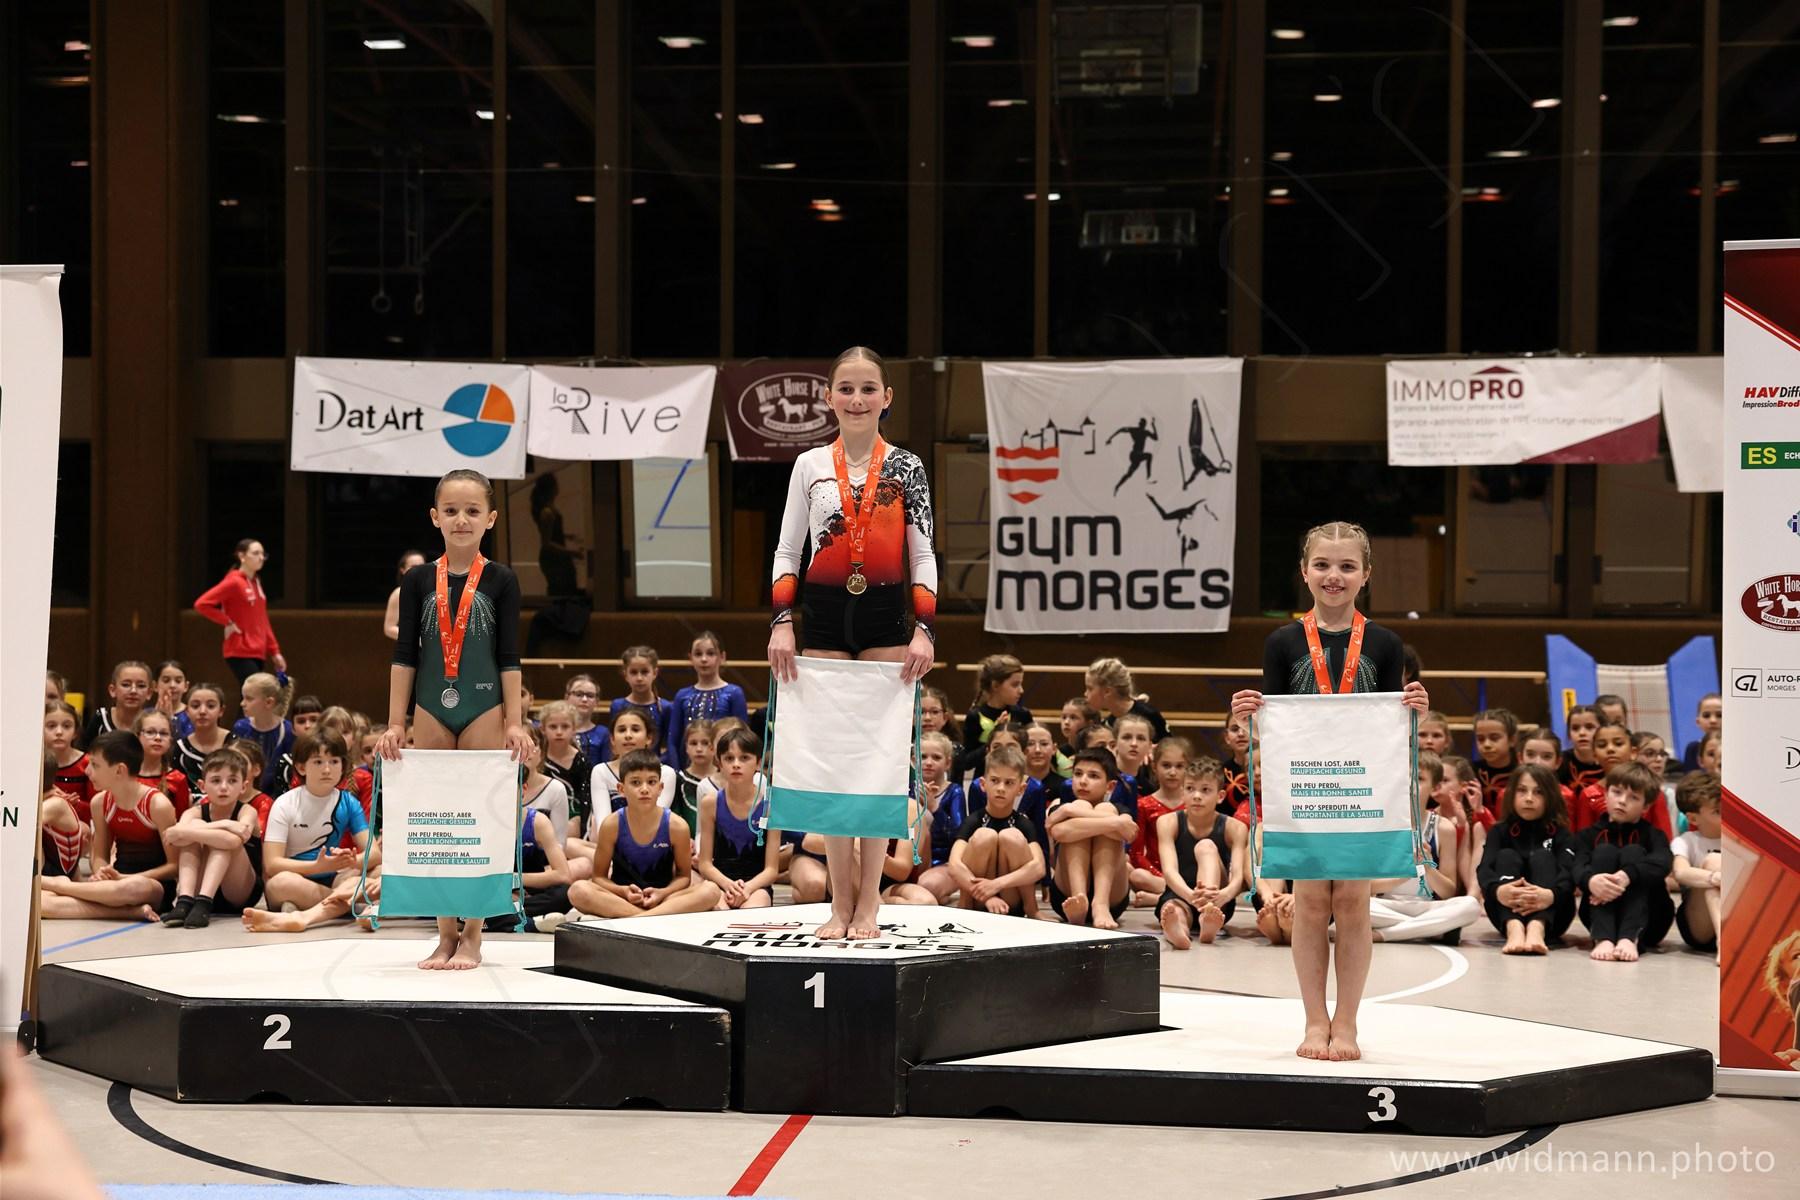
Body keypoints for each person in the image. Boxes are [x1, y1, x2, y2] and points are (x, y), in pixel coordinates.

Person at [1230, 520, 1430, 1062]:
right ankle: (1314, 1019)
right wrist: (1248, 713)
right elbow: (1275, 724)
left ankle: (1348, 1022)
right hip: (1307, 788)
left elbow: (1389, 725)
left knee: (1353, 902)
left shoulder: (1385, 644)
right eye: (1322, 564)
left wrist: (1415, 709)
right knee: (1312, 902)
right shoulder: (1283, 642)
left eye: (1346, 566)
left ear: (1366, 574)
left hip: (1362, 789)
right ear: (1304, 571)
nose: (1333, 575)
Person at [767, 345, 937, 941]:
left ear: (886, 397)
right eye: (846, 388)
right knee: (834, 766)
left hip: (887, 617)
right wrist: (782, 622)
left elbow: (923, 554)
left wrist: (925, 629)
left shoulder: (908, 468)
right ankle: (839, 904)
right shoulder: (810, 465)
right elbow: (788, 550)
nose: (857, 399)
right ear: (828, 397)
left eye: (868, 389)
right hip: (824, 615)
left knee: (877, 767)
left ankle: (870, 904)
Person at [375, 468, 529, 969]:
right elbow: (405, 655)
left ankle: (474, 935)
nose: (461, 519)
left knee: (479, 818)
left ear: (491, 518)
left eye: (472, 511)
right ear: (434, 516)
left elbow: (509, 656)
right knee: (437, 821)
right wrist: (396, 723)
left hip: (484, 707)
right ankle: (444, 934)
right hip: (430, 707)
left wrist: (513, 722)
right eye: (451, 510)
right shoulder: (418, 580)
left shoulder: (502, 579)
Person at [243, 729, 378, 935]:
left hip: (336, 876)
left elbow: (374, 854)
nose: (327, 769)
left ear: (343, 766)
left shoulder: (348, 802)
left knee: (380, 873)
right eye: (318, 762)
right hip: (296, 879)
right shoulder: (285, 803)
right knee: (279, 883)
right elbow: (272, 864)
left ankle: (304, 914)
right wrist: (317, 866)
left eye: (334, 761)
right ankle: (356, 906)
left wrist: (351, 862)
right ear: (301, 767)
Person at [39, 731, 177, 921]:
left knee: (133, 887)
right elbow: (99, 856)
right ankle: (129, 912)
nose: (87, 771)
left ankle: (58, 885)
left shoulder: (157, 804)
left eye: (95, 765)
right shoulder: (99, 802)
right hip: (113, 884)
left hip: (150, 885)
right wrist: (101, 872)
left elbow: (174, 866)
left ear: (119, 770)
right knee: (41, 903)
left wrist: (124, 878)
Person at [568, 749, 719, 918]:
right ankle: (651, 918)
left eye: (651, 782)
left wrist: (662, 893)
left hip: (664, 898)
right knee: (578, 890)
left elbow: (684, 877)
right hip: (623, 899)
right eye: (636, 783)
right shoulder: (611, 825)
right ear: (621, 789)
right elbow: (599, 877)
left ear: (660, 788)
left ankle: (636, 919)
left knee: (711, 890)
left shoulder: (677, 826)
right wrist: (622, 891)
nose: (645, 789)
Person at [1366, 750, 1480, 945]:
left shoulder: (1443, 828)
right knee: (1351, 902)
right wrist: (1404, 874)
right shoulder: (1380, 824)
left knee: (1470, 905)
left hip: (1426, 907)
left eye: (1418, 778)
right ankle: (1432, 929)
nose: (1410, 783)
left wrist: (1428, 868)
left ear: (1435, 788)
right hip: (1384, 905)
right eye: (1405, 777)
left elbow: (1448, 892)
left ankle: (1387, 934)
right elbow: (1367, 887)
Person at [1576, 762, 1675, 962]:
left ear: (1646, 807)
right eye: (1617, 792)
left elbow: (1663, 862)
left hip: (1650, 921)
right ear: (1605, 794)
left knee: (1633, 852)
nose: (1622, 801)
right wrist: (1591, 881)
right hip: (1597, 917)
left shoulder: (1654, 835)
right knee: (1604, 852)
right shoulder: (1588, 835)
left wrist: (1627, 875)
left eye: (1633, 797)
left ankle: (1630, 937)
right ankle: (1603, 938)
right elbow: (1576, 865)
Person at [1477, 764, 1578, 954]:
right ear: (1511, 795)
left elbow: (1569, 874)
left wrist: (1551, 895)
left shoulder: (1561, 834)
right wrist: (1498, 891)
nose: (1529, 798)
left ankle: (1536, 928)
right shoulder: (1499, 831)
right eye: (1522, 791)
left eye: (1538, 792)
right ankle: (1514, 929)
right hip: (1504, 913)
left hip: (1554, 915)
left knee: (1543, 856)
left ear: (1550, 797)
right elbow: (1484, 870)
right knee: (1506, 856)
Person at [162, 748, 263, 927]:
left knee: (219, 840)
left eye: (232, 780)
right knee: (198, 832)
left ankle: (204, 902)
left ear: (243, 786)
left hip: (240, 891)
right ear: (202, 786)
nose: (223, 787)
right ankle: (184, 901)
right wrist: (226, 824)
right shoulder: (193, 812)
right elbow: (176, 839)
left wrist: (188, 830)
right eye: (216, 780)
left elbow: (233, 841)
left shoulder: (247, 811)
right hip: (198, 889)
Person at [486, 725, 573, 933]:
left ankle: (509, 918)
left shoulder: (537, 822)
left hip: (532, 894)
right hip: (497, 894)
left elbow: (563, 875)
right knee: (468, 897)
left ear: (523, 789)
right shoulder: (485, 822)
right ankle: (532, 923)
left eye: (510, 788)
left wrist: (515, 880)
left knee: (565, 893)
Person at [1156, 757, 1249, 948]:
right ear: (1182, 792)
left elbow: (1238, 876)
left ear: (1220, 796)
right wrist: (1190, 896)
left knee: (1205, 846)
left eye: (1205, 790)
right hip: (1181, 893)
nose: (1196, 796)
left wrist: (1224, 895)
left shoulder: (1235, 827)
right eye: (1190, 789)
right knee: (1173, 910)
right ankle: (1178, 931)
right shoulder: (1167, 822)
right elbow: (1169, 871)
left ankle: (1207, 916)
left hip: (1218, 900)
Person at [948, 743, 1046, 918]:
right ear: (983, 784)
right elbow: (954, 866)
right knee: (984, 835)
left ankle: (1032, 910)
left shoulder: (1023, 824)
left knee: (1011, 836)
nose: (1001, 788)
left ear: (1021, 789)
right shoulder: (973, 821)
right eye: (995, 781)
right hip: (977, 901)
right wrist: (987, 896)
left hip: (1012, 902)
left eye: (1009, 783)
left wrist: (996, 885)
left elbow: (1039, 868)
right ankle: (965, 906)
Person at [1045, 746, 1136, 928]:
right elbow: (1059, 833)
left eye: (1093, 776)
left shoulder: (1117, 809)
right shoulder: (1062, 807)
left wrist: (1071, 812)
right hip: (1067, 895)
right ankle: (1080, 899)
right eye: (1078, 774)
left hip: (1112, 898)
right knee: (1081, 806)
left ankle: (1100, 904)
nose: (1083, 781)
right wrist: (1115, 823)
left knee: (1105, 808)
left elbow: (1130, 833)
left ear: (1110, 786)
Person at [694, 728, 781, 910]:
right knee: (719, 911)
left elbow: (772, 870)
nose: (736, 764)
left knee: (751, 911)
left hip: (756, 887)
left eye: (744, 758)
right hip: (720, 884)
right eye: (729, 758)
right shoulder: (710, 803)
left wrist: (747, 889)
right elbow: (705, 864)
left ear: (758, 763)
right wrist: (728, 885)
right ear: (719, 762)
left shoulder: (770, 807)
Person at [193, 537, 287, 683]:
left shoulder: (256, 582)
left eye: (263, 554)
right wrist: (227, 622)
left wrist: (275, 651)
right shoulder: (234, 582)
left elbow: (263, 620)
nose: (261, 558)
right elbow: (202, 604)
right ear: (241, 556)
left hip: (258, 650)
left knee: (253, 693)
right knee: (254, 691)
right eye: (255, 553)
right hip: (240, 649)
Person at [667, 631, 749, 771]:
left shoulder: (734, 693)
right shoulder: (682, 695)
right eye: (698, 654)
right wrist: (677, 772)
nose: (704, 659)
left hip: (723, 768)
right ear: (690, 658)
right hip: (689, 768)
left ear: (722, 657)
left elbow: (741, 736)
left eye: (710, 653)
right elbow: (673, 740)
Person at [1573, 723, 1673, 838]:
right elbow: (1583, 840)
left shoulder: (1652, 791)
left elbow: (1664, 838)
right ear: (1594, 755)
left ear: (1633, 752)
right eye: (1602, 745)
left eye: (1618, 744)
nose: (1610, 749)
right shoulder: (1588, 795)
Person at [1669, 770, 1722, 959]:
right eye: (1718, 812)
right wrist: (1714, 877)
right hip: (1698, 925)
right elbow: (1680, 873)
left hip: (1737, 915)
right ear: (1693, 819)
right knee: (1714, 861)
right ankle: (1724, 941)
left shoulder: (1739, 839)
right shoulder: (1687, 841)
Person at [589, 705, 676, 815]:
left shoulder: (666, 773)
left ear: (649, 738)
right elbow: (603, 821)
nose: (628, 735)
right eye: (622, 730)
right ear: (612, 739)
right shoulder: (601, 771)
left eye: (635, 730)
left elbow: (657, 818)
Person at [958, 654, 1033, 779]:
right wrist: (994, 735)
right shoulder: (976, 716)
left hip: (1016, 780)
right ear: (995, 685)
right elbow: (966, 762)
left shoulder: (1022, 715)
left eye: (1021, 684)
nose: (1021, 690)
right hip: (985, 781)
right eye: (1015, 685)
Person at [915, 731, 966, 903]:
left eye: (936, 757)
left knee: (926, 886)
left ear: (948, 763)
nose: (929, 762)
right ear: (914, 761)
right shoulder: (907, 791)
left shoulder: (954, 792)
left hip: (943, 861)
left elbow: (959, 836)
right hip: (911, 861)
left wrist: (934, 808)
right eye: (923, 757)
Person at [230, 672, 294, 796]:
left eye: (249, 698)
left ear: (269, 702)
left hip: (278, 796)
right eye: (243, 697)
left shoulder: (287, 731)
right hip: (244, 792)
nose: (242, 703)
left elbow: (289, 771)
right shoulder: (241, 728)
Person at [538, 701, 593, 841]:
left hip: (573, 815)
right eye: (553, 726)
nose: (559, 732)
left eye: (565, 726)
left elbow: (586, 800)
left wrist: (583, 828)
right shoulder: (538, 760)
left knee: (570, 829)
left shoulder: (582, 762)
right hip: (544, 814)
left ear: (574, 729)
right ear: (543, 729)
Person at [612, 646, 676, 764]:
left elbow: (670, 746)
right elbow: (614, 743)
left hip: (655, 766)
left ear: (655, 673)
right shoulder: (618, 706)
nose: (639, 678)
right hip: (624, 766)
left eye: (645, 672)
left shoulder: (665, 707)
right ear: (625, 674)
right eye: (634, 672)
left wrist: (654, 764)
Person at [1085, 657, 1168, 742]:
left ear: (1107, 691)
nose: (1085, 694)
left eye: (1090, 688)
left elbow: (1168, 746)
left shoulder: (1149, 715)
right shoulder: (1108, 724)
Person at [171, 682, 230, 795]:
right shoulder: (180, 749)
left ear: (221, 711)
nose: (202, 711)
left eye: (210, 706)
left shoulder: (234, 744)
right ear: (187, 711)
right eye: (195, 706)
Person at [79, 659, 152, 749]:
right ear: (113, 690)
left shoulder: (154, 722)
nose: (133, 691)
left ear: (149, 693)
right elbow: (85, 752)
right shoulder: (100, 718)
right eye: (126, 685)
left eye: (141, 686)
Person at [133, 709, 192, 817]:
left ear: (170, 740)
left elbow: (181, 821)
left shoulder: (177, 779)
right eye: (150, 732)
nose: (158, 738)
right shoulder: (125, 775)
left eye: (164, 733)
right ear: (137, 736)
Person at [672, 718, 719, 838]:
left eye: (705, 743)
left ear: (714, 746)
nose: (699, 749)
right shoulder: (678, 780)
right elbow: (674, 817)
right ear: (686, 747)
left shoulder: (723, 779)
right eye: (693, 743)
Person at [1471, 707, 1519, 812]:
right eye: (1480, 739)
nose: (1487, 745)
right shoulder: (1471, 771)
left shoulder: (1523, 771)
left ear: (1512, 740)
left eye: (1494, 738)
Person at [564, 674, 611, 765]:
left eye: (590, 695)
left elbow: (607, 768)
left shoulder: (604, 733)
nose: (584, 699)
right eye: (579, 694)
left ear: (597, 701)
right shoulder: (556, 730)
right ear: (567, 697)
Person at [1557, 705, 1604, 795]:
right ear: (1569, 734)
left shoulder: (1609, 761)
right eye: (1575, 728)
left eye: (1589, 727)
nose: (1582, 733)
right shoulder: (1560, 762)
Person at [382, 549, 428, 640]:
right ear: (402, 570)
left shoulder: (432, 590)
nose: (419, 570)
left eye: (422, 566)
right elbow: (389, 628)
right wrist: (418, 639)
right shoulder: (398, 593)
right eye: (413, 567)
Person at [1679, 693, 1723, 773]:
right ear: (1698, 722)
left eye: (1719, 715)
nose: (1713, 720)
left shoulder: (1738, 746)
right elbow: (1690, 778)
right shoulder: (1693, 748)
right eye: (1706, 716)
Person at [152, 660, 193, 739]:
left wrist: (171, 720)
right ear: (155, 685)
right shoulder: (146, 714)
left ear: (186, 686)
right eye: (166, 680)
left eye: (178, 681)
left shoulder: (192, 715)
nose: (172, 685)